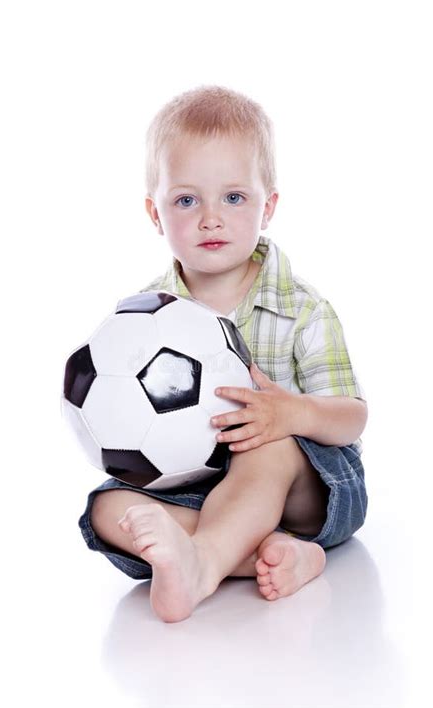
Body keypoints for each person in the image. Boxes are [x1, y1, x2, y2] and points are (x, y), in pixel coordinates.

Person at [78, 85, 368, 623]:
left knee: (266, 443)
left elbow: (353, 417)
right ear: (155, 213)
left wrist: (292, 413)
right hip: (200, 489)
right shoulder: (143, 320)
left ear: (268, 206)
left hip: (309, 492)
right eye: (187, 200)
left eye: (233, 197)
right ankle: (273, 556)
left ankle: (205, 562)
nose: (211, 218)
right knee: (105, 510)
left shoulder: (304, 309)